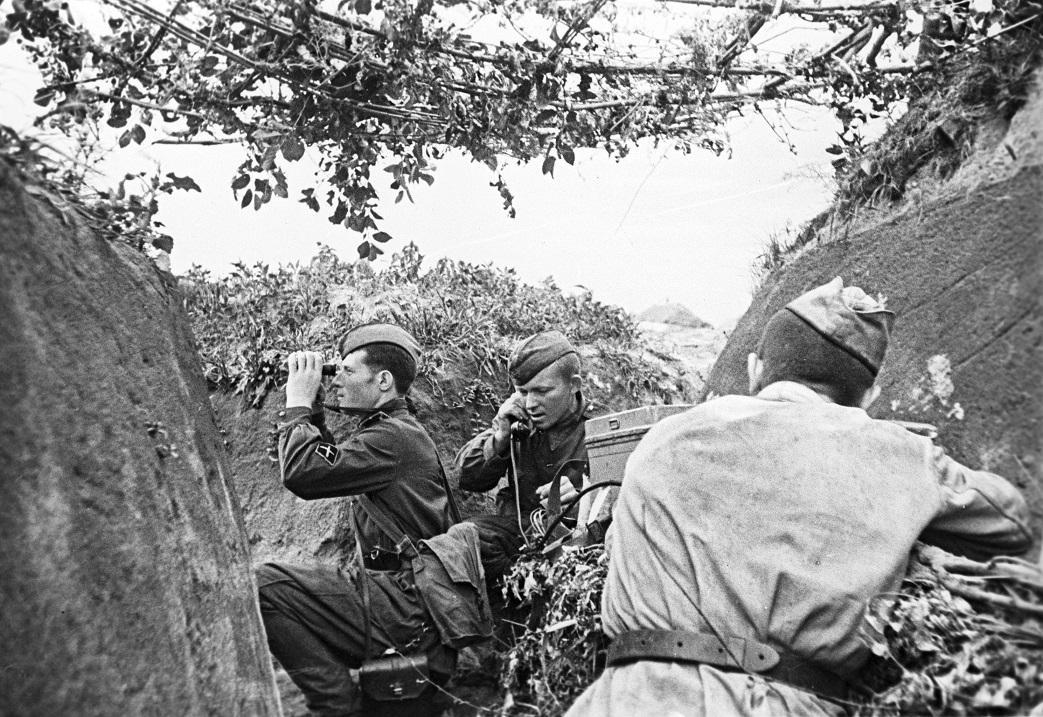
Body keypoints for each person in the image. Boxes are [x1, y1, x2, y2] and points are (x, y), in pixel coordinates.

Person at [567, 277, 1033, 717]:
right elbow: (1010, 520)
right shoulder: (898, 453)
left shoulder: (661, 438)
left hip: (616, 701)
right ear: (869, 396)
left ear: (755, 369)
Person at [256, 324, 456, 717]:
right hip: (406, 601)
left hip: (407, 606)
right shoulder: (393, 432)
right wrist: (315, 413)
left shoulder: (391, 439)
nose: (336, 381)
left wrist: (297, 405)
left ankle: (335, 705)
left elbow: (302, 472)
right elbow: (330, 463)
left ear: (383, 381)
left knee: (265, 586)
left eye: (347, 371)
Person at [455, 330, 590, 581]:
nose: (530, 404)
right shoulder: (518, 423)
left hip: (580, 544)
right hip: (521, 536)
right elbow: (464, 477)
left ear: (574, 385)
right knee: (464, 538)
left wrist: (584, 499)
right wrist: (500, 438)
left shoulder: (603, 429)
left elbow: (625, 507)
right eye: (523, 392)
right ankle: (520, 592)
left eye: (542, 391)